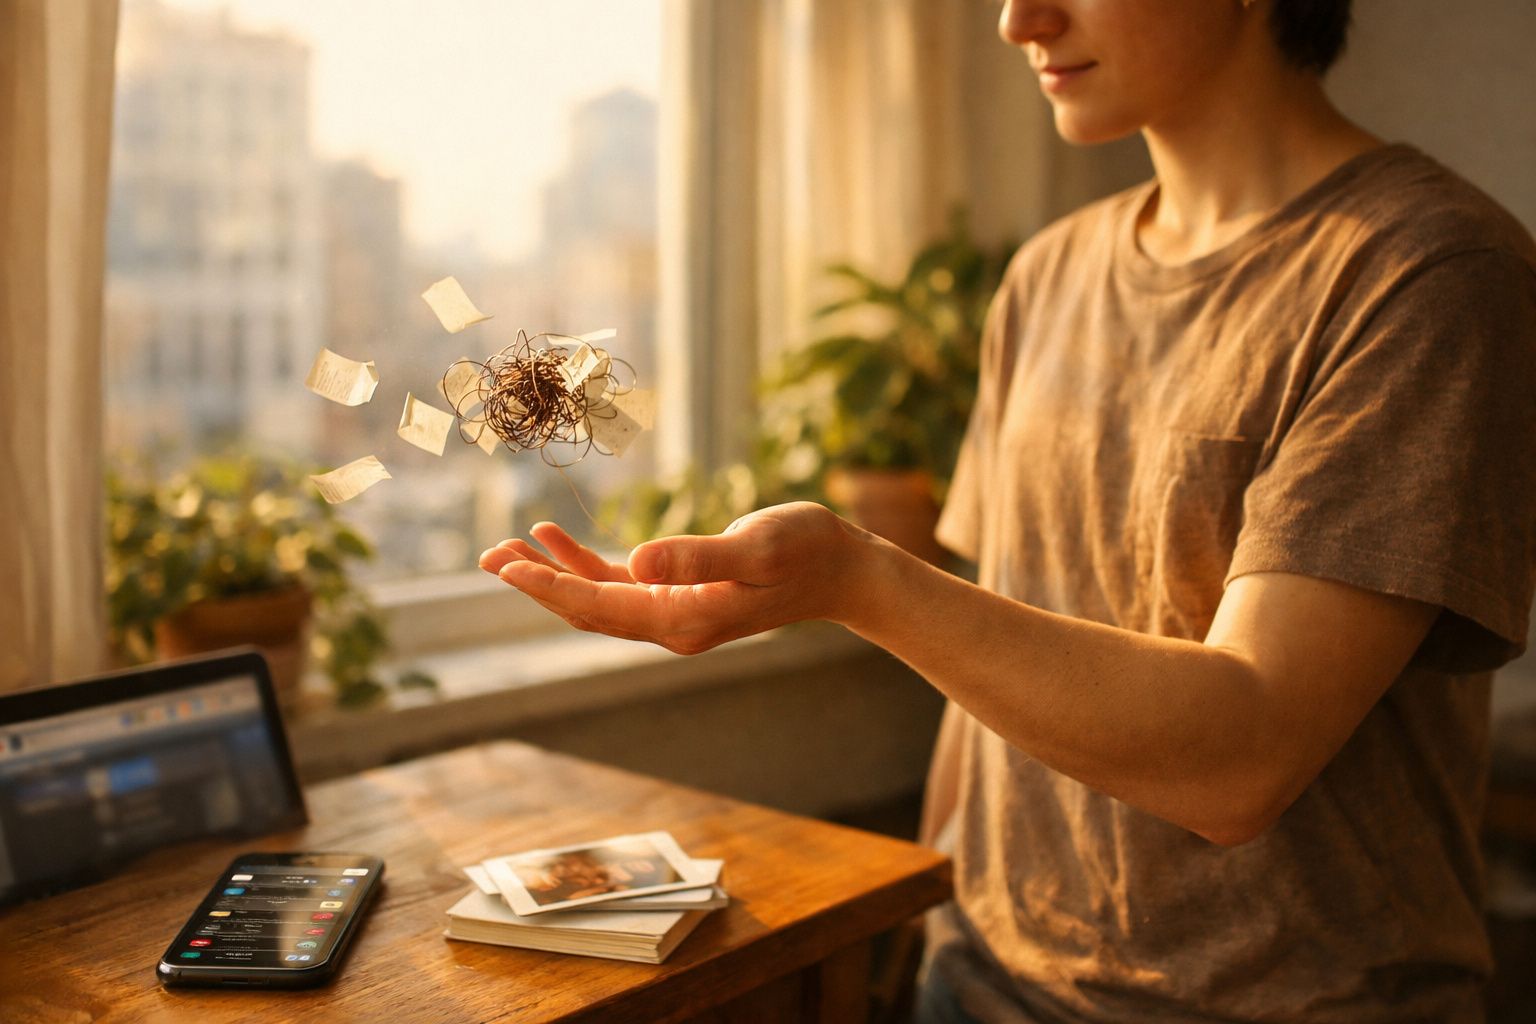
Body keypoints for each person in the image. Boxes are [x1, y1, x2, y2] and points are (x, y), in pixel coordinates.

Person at [480, 0, 1536, 1019]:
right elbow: (990, 649)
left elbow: (1243, 760)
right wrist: (927, 926)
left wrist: (857, 579)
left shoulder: (1428, 275)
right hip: (981, 983)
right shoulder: (1049, 274)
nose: (1018, 20)